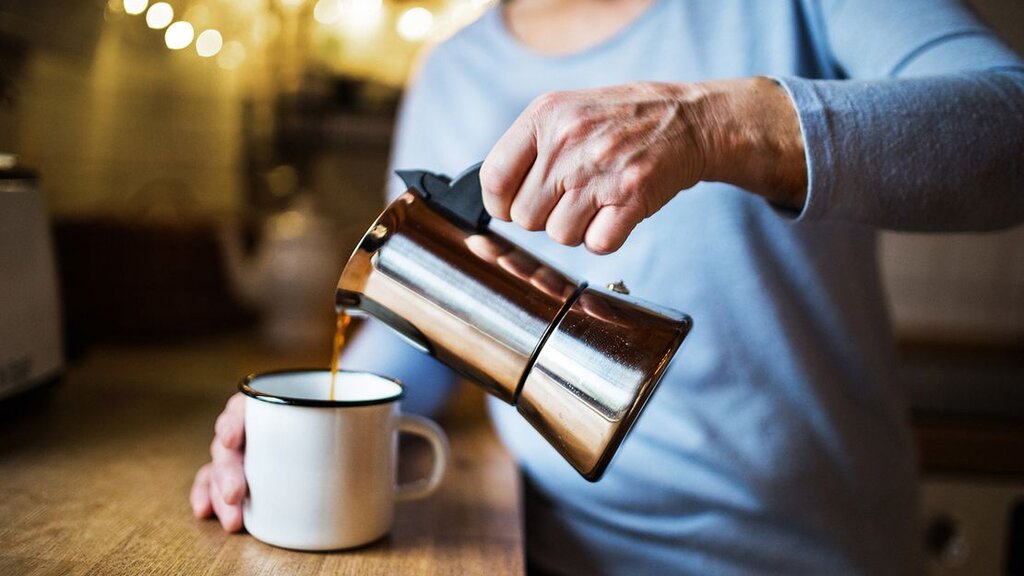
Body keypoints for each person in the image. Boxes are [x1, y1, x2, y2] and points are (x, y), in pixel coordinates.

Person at [192, 0, 1024, 573]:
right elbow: (429, 330)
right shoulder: (451, 73)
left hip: (805, 554)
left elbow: (1009, 129)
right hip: (545, 552)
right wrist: (311, 426)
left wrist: (718, 125)